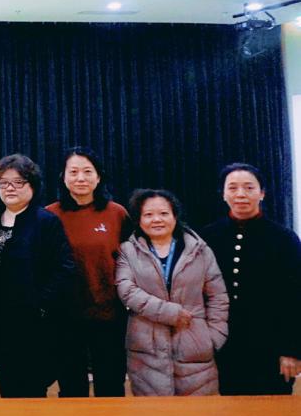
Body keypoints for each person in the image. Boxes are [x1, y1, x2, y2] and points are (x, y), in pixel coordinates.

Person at [0, 154, 77, 398]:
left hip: (34, 325)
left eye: (18, 182)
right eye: (3, 183)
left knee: (32, 392)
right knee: (8, 391)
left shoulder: (46, 222)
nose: (10, 188)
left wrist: (40, 304)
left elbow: (64, 268)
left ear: (32, 185)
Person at [116, 189, 228, 396]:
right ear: (138, 220)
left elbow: (218, 296)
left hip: (195, 346)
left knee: (199, 412)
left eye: (164, 213)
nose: (156, 219)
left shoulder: (200, 250)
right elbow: (126, 290)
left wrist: (213, 337)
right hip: (146, 351)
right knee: (153, 412)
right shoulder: (128, 251)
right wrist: (170, 313)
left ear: (175, 216)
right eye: (148, 214)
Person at [201, 163, 301, 395]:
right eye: (232, 188)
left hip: (271, 343)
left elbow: (295, 297)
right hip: (223, 343)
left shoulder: (284, 239)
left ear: (262, 193)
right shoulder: (208, 236)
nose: (241, 194)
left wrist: (292, 349)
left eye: (249, 187)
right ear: (223, 194)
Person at [45, 146, 130, 397]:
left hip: (109, 314)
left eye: (87, 171)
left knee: (111, 386)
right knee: (72, 388)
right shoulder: (49, 215)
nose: (80, 178)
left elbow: (131, 260)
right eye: (73, 172)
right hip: (65, 315)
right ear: (63, 177)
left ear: (98, 176)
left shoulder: (117, 213)